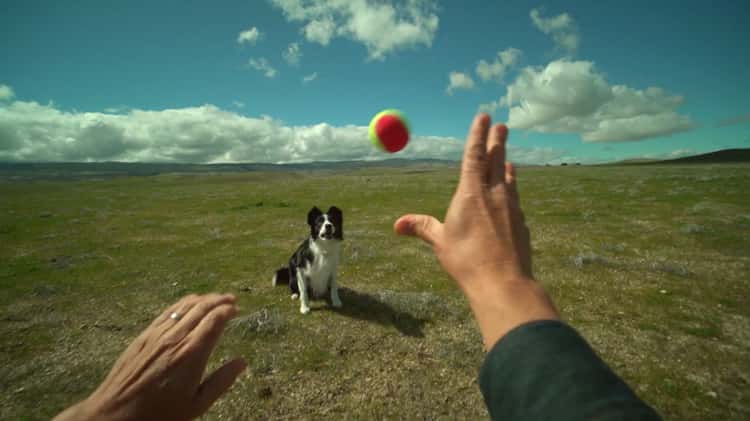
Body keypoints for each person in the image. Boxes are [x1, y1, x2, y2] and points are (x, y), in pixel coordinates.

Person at [55, 114, 660, 420]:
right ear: (314, 228)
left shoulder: (335, 242)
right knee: (303, 278)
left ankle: (318, 294)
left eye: (327, 226)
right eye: (319, 227)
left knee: (326, 284)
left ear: (333, 227)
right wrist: (505, 281)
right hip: (307, 284)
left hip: (329, 284)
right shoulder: (311, 243)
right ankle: (301, 291)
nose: (324, 230)